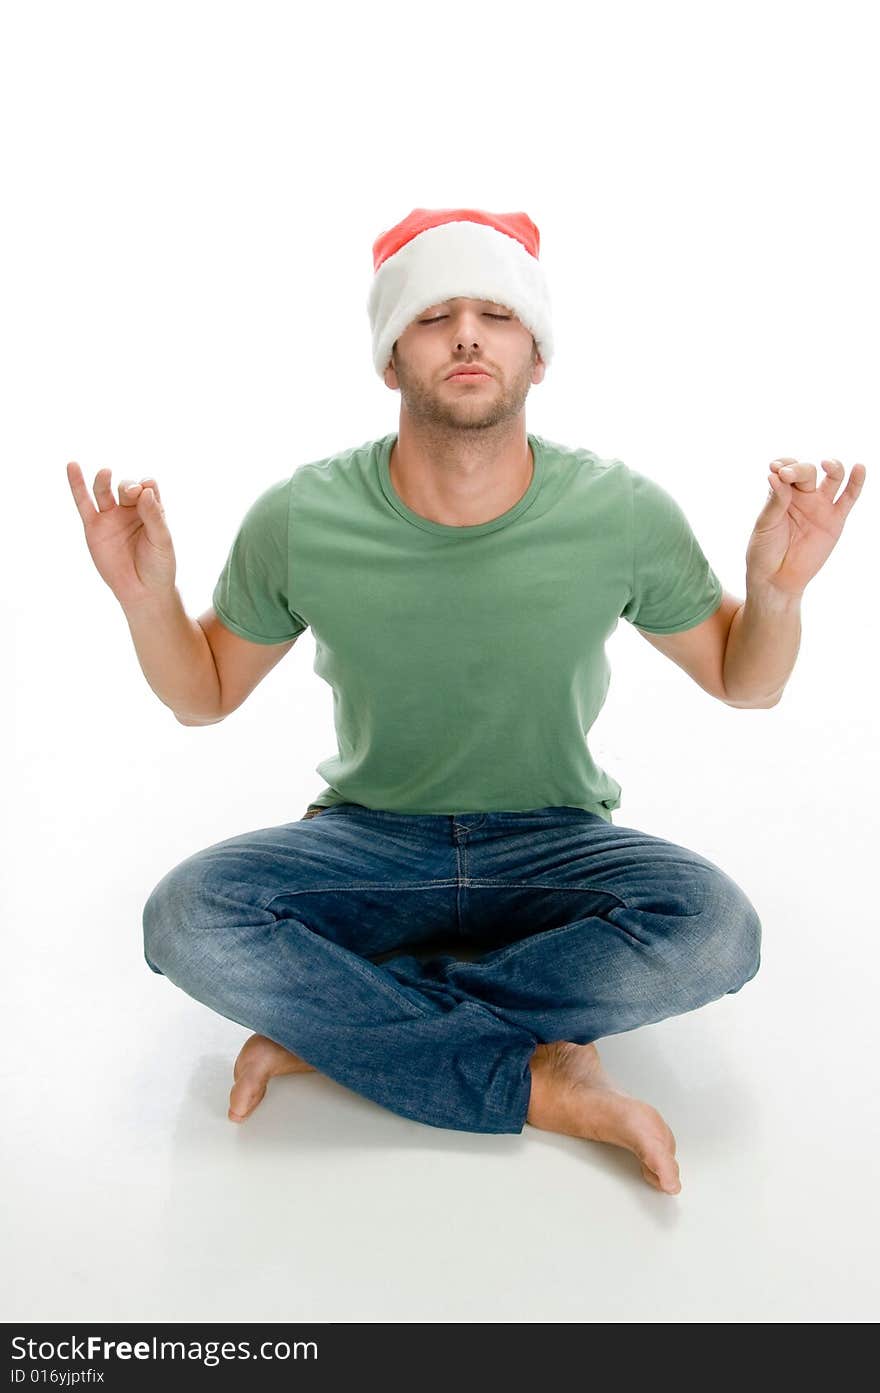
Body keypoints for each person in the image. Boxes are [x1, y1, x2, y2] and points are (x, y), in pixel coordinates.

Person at [66, 207, 866, 1197]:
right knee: (187, 917)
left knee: (714, 928)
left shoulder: (617, 511)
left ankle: (355, 1028)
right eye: (434, 314)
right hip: (368, 843)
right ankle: (539, 1073)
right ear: (390, 358)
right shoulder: (302, 515)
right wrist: (145, 601)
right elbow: (205, 695)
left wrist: (778, 591)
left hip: (553, 842)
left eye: (496, 312)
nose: (467, 335)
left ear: (537, 354)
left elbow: (749, 681)